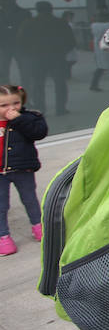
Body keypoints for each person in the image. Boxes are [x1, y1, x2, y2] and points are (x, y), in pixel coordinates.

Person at [0, 84, 48, 256]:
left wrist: (18, 119)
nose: (11, 108)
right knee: (2, 205)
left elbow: (39, 132)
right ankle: (3, 236)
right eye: (4, 105)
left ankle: (39, 226)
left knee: (30, 199)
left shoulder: (30, 118)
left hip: (23, 169)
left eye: (16, 103)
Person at [15, 1, 75, 115]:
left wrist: (29, 54)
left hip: (37, 58)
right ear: (51, 9)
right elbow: (71, 41)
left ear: (37, 10)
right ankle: (60, 108)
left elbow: (21, 41)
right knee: (60, 83)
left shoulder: (29, 23)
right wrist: (62, 51)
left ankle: (40, 108)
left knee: (38, 84)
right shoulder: (60, 23)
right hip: (57, 57)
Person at [0, 0, 30, 84]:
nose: (3, 2)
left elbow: (28, 30)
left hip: (20, 46)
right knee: (3, 72)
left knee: (25, 72)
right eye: (2, 0)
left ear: (13, 0)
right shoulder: (24, 13)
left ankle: (26, 92)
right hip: (4, 46)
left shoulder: (24, 13)